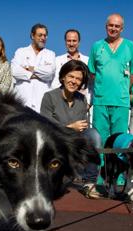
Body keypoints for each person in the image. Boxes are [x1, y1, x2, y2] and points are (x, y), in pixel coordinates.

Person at [40, 60, 102, 199]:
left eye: (78, 79)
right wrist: (69, 127)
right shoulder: (49, 97)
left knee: (94, 136)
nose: (74, 81)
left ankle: (89, 182)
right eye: (71, 77)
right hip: (53, 140)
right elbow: (45, 125)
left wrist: (75, 130)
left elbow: (82, 126)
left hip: (73, 139)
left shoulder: (82, 99)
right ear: (63, 77)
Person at [88, 13, 133, 151]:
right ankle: (101, 172)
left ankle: (118, 173)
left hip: (121, 102)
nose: (113, 28)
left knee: (119, 141)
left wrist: (124, 88)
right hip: (101, 101)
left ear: (122, 28)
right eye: (111, 25)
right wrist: (102, 86)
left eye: (117, 26)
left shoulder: (130, 46)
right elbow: (92, 72)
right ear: (106, 27)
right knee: (99, 140)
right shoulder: (97, 46)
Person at [11, 23, 56, 113]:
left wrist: (30, 68)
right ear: (32, 36)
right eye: (40, 35)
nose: (43, 38)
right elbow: (14, 71)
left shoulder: (50, 54)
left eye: (45, 36)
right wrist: (37, 75)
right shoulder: (21, 52)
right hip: (22, 101)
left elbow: (49, 73)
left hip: (42, 103)